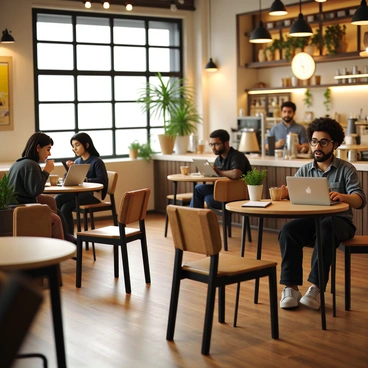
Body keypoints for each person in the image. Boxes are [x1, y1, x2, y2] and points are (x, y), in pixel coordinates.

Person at [278, 117, 366, 310]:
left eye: (324, 142)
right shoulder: (304, 170)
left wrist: (343, 196)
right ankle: (291, 288)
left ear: (334, 144)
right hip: (311, 222)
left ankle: (316, 288)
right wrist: (286, 195)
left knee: (326, 226)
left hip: (340, 224)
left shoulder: (346, 169)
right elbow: (296, 201)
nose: (318, 146)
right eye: (314, 141)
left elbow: (360, 200)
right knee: (288, 230)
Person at [8, 132, 65, 240]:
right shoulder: (32, 165)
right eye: (48, 149)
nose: (49, 154)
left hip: (12, 207)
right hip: (23, 209)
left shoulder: (17, 163)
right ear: (38, 147)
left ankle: (66, 238)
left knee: (52, 203)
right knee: (57, 219)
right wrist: (46, 172)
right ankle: (62, 249)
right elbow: (36, 191)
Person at [55, 132, 108, 235]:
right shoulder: (78, 161)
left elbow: (103, 181)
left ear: (87, 145)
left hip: (92, 195)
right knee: (59, 201)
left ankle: (68, 236)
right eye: (73, 146)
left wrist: (86, 180)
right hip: (79, 194)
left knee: (60, 201)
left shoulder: (97, 161)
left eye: (77, 145)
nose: (75, 148)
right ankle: (64, 235)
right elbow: (73, 180)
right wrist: (69, 171)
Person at [190, 129, 251, 209]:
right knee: (198, 188)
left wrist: (218, 171)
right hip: (224, 190)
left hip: (237, 193)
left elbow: (236, 174)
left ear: (226, 143)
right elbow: (217, 176)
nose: (213, 147)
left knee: (208, 198)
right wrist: (208, 172)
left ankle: (196, 220)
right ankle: (194, 220)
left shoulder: (237, 156)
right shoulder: (218, 160)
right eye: (211, 144)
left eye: (216, 144)